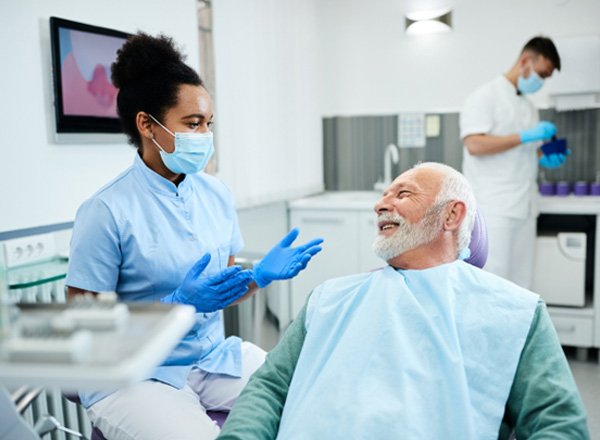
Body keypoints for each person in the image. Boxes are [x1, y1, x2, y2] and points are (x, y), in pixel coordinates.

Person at [65, 33, 323, 440]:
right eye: (192, 123)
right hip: (135, 373)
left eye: (208, 124)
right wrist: (176, 305)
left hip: (210, 358)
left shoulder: (215, 192)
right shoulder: (106, 211)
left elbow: (223, 287)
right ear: (147, 125)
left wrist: (258, 277)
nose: (204, 135)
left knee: (314, 398)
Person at [217, 162, 589, 440]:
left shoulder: (514, 311)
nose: (381, 205)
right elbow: (269, 387)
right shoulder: (330, 298)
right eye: (384, 195)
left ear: (451, 214)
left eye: (403, 193)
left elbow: (558, 423)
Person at [460, 36, 567, 289]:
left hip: (525, 207)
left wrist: (545, 155)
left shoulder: (530, 108)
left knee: (521, 287)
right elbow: (475, 145)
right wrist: (525, 136)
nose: (542, 82)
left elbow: (522, 152)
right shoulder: (484, 96)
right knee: (493, 284)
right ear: (525, 61)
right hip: (495, 208)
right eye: (541, 74)